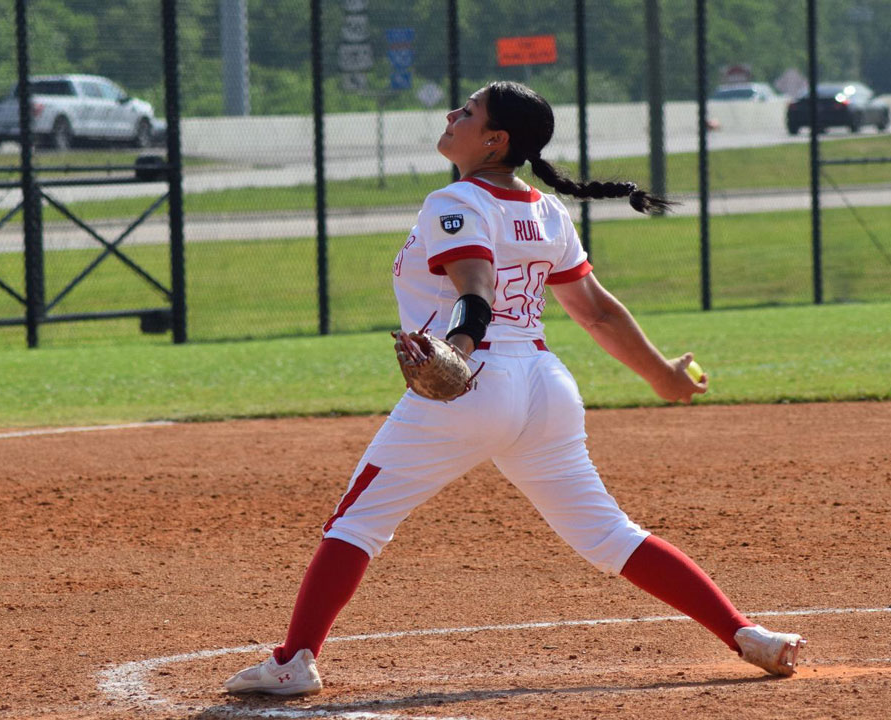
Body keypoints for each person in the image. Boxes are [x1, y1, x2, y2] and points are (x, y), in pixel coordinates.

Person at [223, 81, 804, 696]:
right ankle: (746, 635)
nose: (454, 115)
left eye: (468, 112)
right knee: (611, 535)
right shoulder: (544, 209)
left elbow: (476, 289)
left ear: (495, 139)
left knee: (357, 523)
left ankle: (293, 661)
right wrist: (663, 376)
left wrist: (462, 349)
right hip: (545, 387)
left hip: (473, 382)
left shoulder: (455, 201)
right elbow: (597, 313)